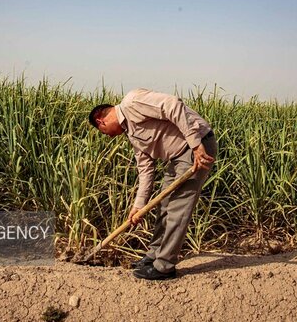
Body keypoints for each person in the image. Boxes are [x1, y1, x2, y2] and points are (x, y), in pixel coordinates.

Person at [88, 88, 217, 280]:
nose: (107, 136)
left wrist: (196, 145)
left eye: (103, 132)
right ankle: (153, 256)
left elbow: (173, 105)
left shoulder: (132, 102)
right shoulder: (131, 135)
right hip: (176, 159)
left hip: (196, 150)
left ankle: (164, 266)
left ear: (101, 120)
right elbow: (146, 170)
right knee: (163, 206)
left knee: (178, 208)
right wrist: (138, 206)